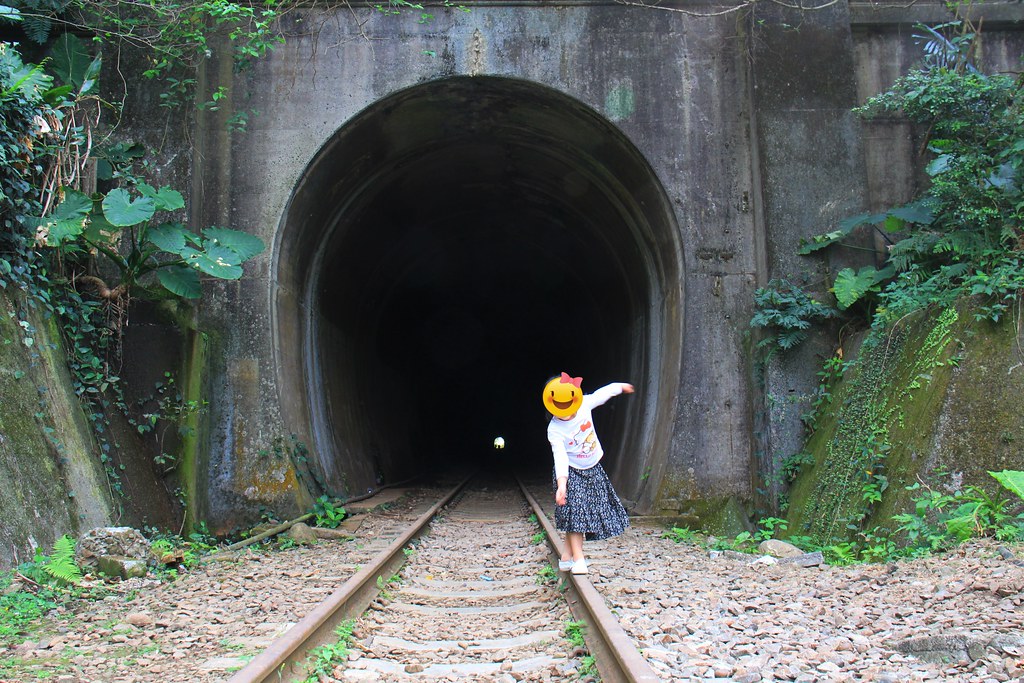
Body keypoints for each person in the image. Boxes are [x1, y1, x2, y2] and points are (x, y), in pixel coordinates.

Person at [542, 372, 634, 575]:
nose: (563, 410)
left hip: (592, 467)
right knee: (576, 514)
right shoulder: (555, 429)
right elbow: (560, 457)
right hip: (571, 472)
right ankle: (579, 559)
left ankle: (567, 557)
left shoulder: (583, 404)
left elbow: (601, 395)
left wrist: (620, 386)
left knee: (580, 514)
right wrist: (562, 483)